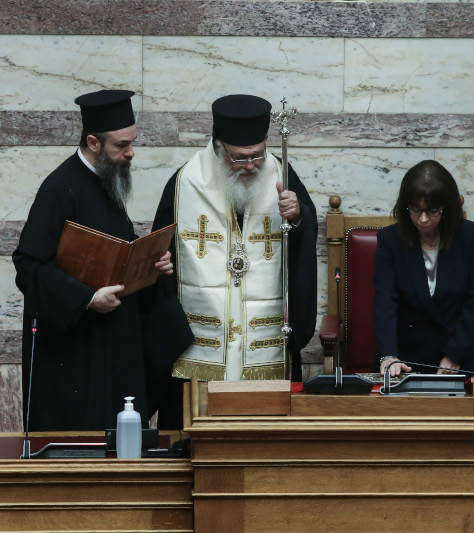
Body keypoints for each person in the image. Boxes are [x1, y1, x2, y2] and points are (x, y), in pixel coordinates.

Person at [150, 94, 317, 428]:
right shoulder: (187, 182)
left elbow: (304, 232)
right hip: (200, 342)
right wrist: (161, 264)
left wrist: (298, 217)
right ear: (218, 146)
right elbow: (158, 250)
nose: (252, 165)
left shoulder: (280, 173)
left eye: (258, 155)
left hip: (264, 339)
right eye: (241, 158)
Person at [13, 89, 173, 431]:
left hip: (114, 343)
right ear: (94, 142)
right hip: (77, 354)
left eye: (132, 142)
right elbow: (28, 267)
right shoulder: (60, 188)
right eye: (121, 145)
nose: (131, 152)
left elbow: (113, 253)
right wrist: (87, 298)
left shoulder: (106, 180)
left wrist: (152, 265)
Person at [374, 160, 474, 377]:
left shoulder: (468, 236)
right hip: (406, 355)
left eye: (432, 211)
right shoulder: (390, 240)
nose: (423, 219)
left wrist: (454, 354)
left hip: (459, 350)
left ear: (446, 207)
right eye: (416, 210)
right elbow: (385, 302)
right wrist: (388, 356)